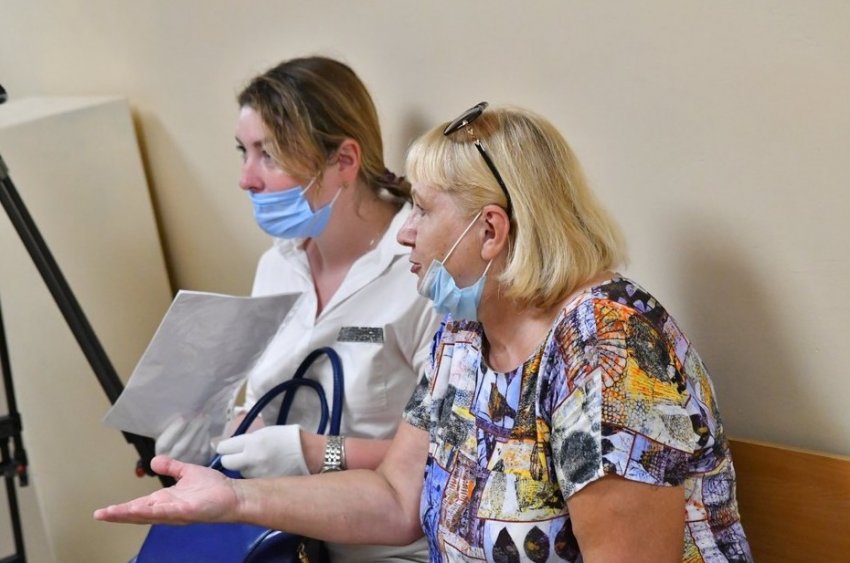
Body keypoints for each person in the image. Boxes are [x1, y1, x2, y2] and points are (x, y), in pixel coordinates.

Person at [97, 103, 753, 562]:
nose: (404, 231)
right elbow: (395, 495)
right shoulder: (464, 333)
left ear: (490, 231)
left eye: (421, 208)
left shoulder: (609, 348)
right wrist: (234, 499)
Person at [153, 56, 438, 562]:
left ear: (344, 161)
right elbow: (269, 403)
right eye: (243, 152)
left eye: (269, 155)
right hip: (279, 534)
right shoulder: (277, 265)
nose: (246, 179)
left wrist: (313, 452)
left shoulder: (420, 273)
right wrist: (216, 434)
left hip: (382, 549)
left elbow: (446, 454)